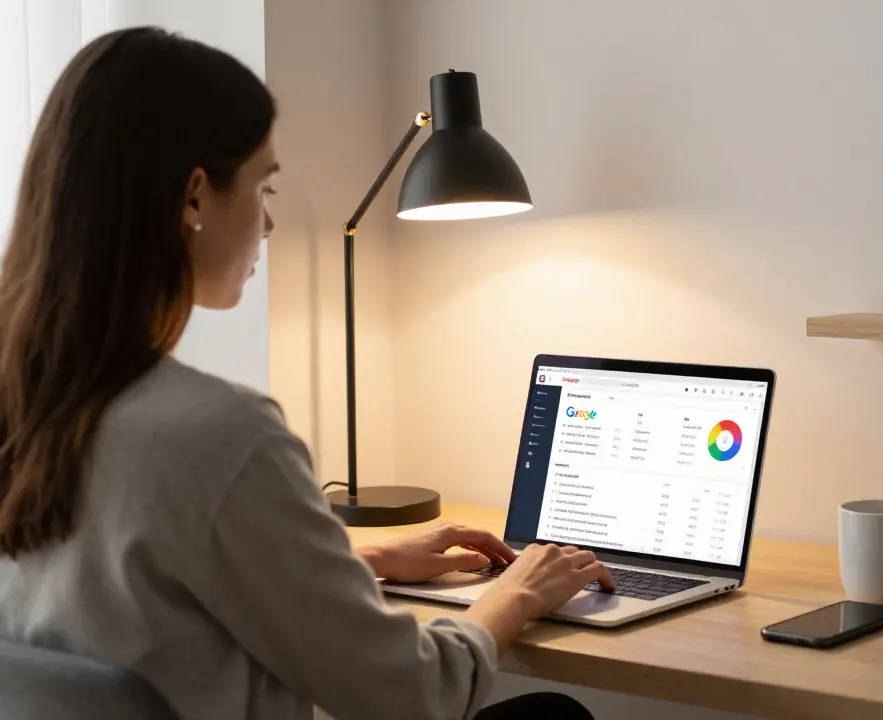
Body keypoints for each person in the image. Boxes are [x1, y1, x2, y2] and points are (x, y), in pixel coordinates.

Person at [0, 26, 613, 720]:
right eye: (264, 186)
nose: (267, 224)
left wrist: (359, 563)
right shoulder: (218, 435)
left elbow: (134, 597)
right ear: (193, 198)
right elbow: (411, 695)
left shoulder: (31, 400)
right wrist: (518, 594)